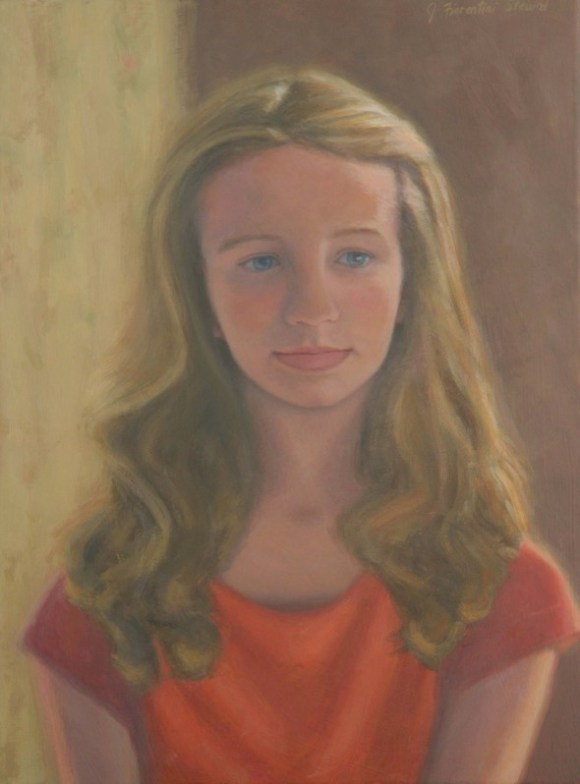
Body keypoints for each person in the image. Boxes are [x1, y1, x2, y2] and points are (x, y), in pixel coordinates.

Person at [25, 67, 578, 784]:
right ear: (196, 294)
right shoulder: (104, 596)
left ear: (411, 284)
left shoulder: (500, 590)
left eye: (355, 256)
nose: (312, 308)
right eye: (260, 261)